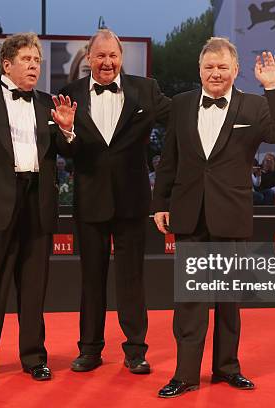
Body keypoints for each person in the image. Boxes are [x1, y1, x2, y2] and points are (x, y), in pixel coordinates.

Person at [152, 37, 275, 398]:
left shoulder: (253, 105)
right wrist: (160, 203)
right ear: (199, 70)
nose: (215, 73)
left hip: (230, 214)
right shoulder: (182, 104)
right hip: (189, 214)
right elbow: (169, 159)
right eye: (208, 67)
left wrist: (273, 87)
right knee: (190, 301)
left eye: (222, 67)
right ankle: (185, 375)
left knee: (229, 300)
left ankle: (227, 368)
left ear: (235, 70)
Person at [0, 32, 76, 383]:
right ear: (7, 64)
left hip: (37, 200)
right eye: (27, 60)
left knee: (34, 286)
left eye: (37, 61)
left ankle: (34, 357)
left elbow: (67, 155)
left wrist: (67, 131)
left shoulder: (48, 103)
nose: (34, 66)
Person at [58, 29, 171, 375]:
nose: (107, 62)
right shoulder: (69, 93)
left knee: (132, 279)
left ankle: (135, 350)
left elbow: (180, 118)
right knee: (91, 279)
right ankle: (90, 349)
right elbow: (64, 151)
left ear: (122, 58)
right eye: (100, 55)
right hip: (90, 201)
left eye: (113, 56)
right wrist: (67, 131)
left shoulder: (145, 89)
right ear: (89, 58)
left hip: (132, 201)